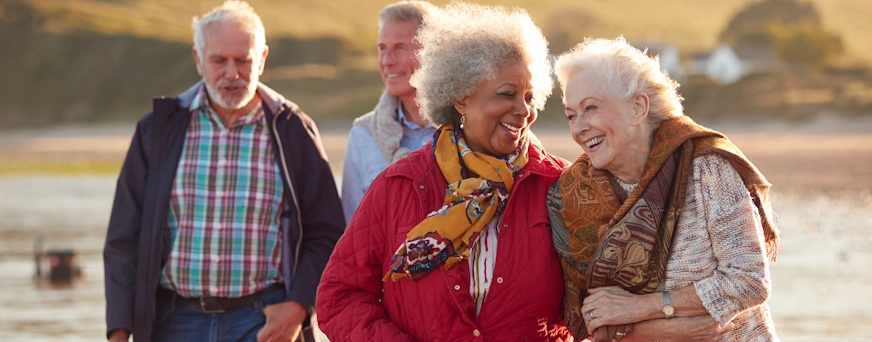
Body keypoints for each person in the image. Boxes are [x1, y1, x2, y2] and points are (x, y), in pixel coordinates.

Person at [316, 2, 572, 340]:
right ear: (461, 98)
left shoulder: (560, 186)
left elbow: (597, 298)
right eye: (507, 94)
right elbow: (340, 296)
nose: (524, 110)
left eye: (529, 96)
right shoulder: (398, 185)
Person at [103, 1, 345, 341]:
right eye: (219, 60)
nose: (231, 73)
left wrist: (298, 307)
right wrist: (119, 330)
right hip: (172, 323)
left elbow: (326, 231)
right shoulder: (158, 129)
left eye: (243, 60)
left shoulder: (292, 129)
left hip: (264, 321)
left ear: (261, 58)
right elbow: (123, 239)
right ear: (198, 60)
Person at [548, 37, 780, 341]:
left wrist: (643, 307)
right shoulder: (570, 194)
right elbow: (587, 320)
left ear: (638, 107)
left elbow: (748, 281)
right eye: (570, 115)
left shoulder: (706, 169)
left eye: (590, 108)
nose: (578, 128)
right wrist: (676, 328)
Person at [340, 0, 437, 223]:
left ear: (434, 53)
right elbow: (351, 234)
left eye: (400, 48)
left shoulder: (473, 130)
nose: (386, 61)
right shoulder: (363, 135)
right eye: (382, 49)